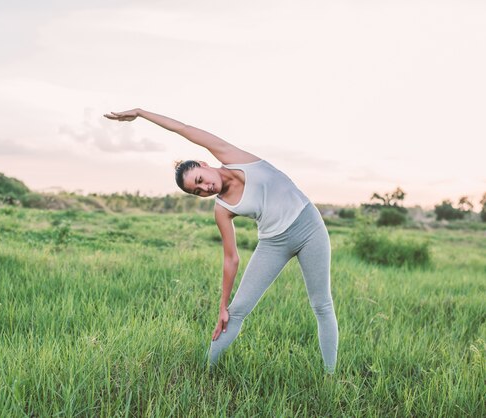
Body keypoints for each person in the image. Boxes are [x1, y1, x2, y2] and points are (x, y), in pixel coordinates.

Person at [104, 108, 338, 374]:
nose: (205, 189)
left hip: (309, 228)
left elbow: (183, 128)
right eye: (197, 191)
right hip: (274, 242)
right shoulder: (222, 209)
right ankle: (205, 373)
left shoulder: (233, 157)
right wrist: (222, 307)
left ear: (204, 165)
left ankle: (330, 377)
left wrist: (142, 113)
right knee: (236, 313)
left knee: (321, 304)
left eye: (200, 180)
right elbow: (231, 258)